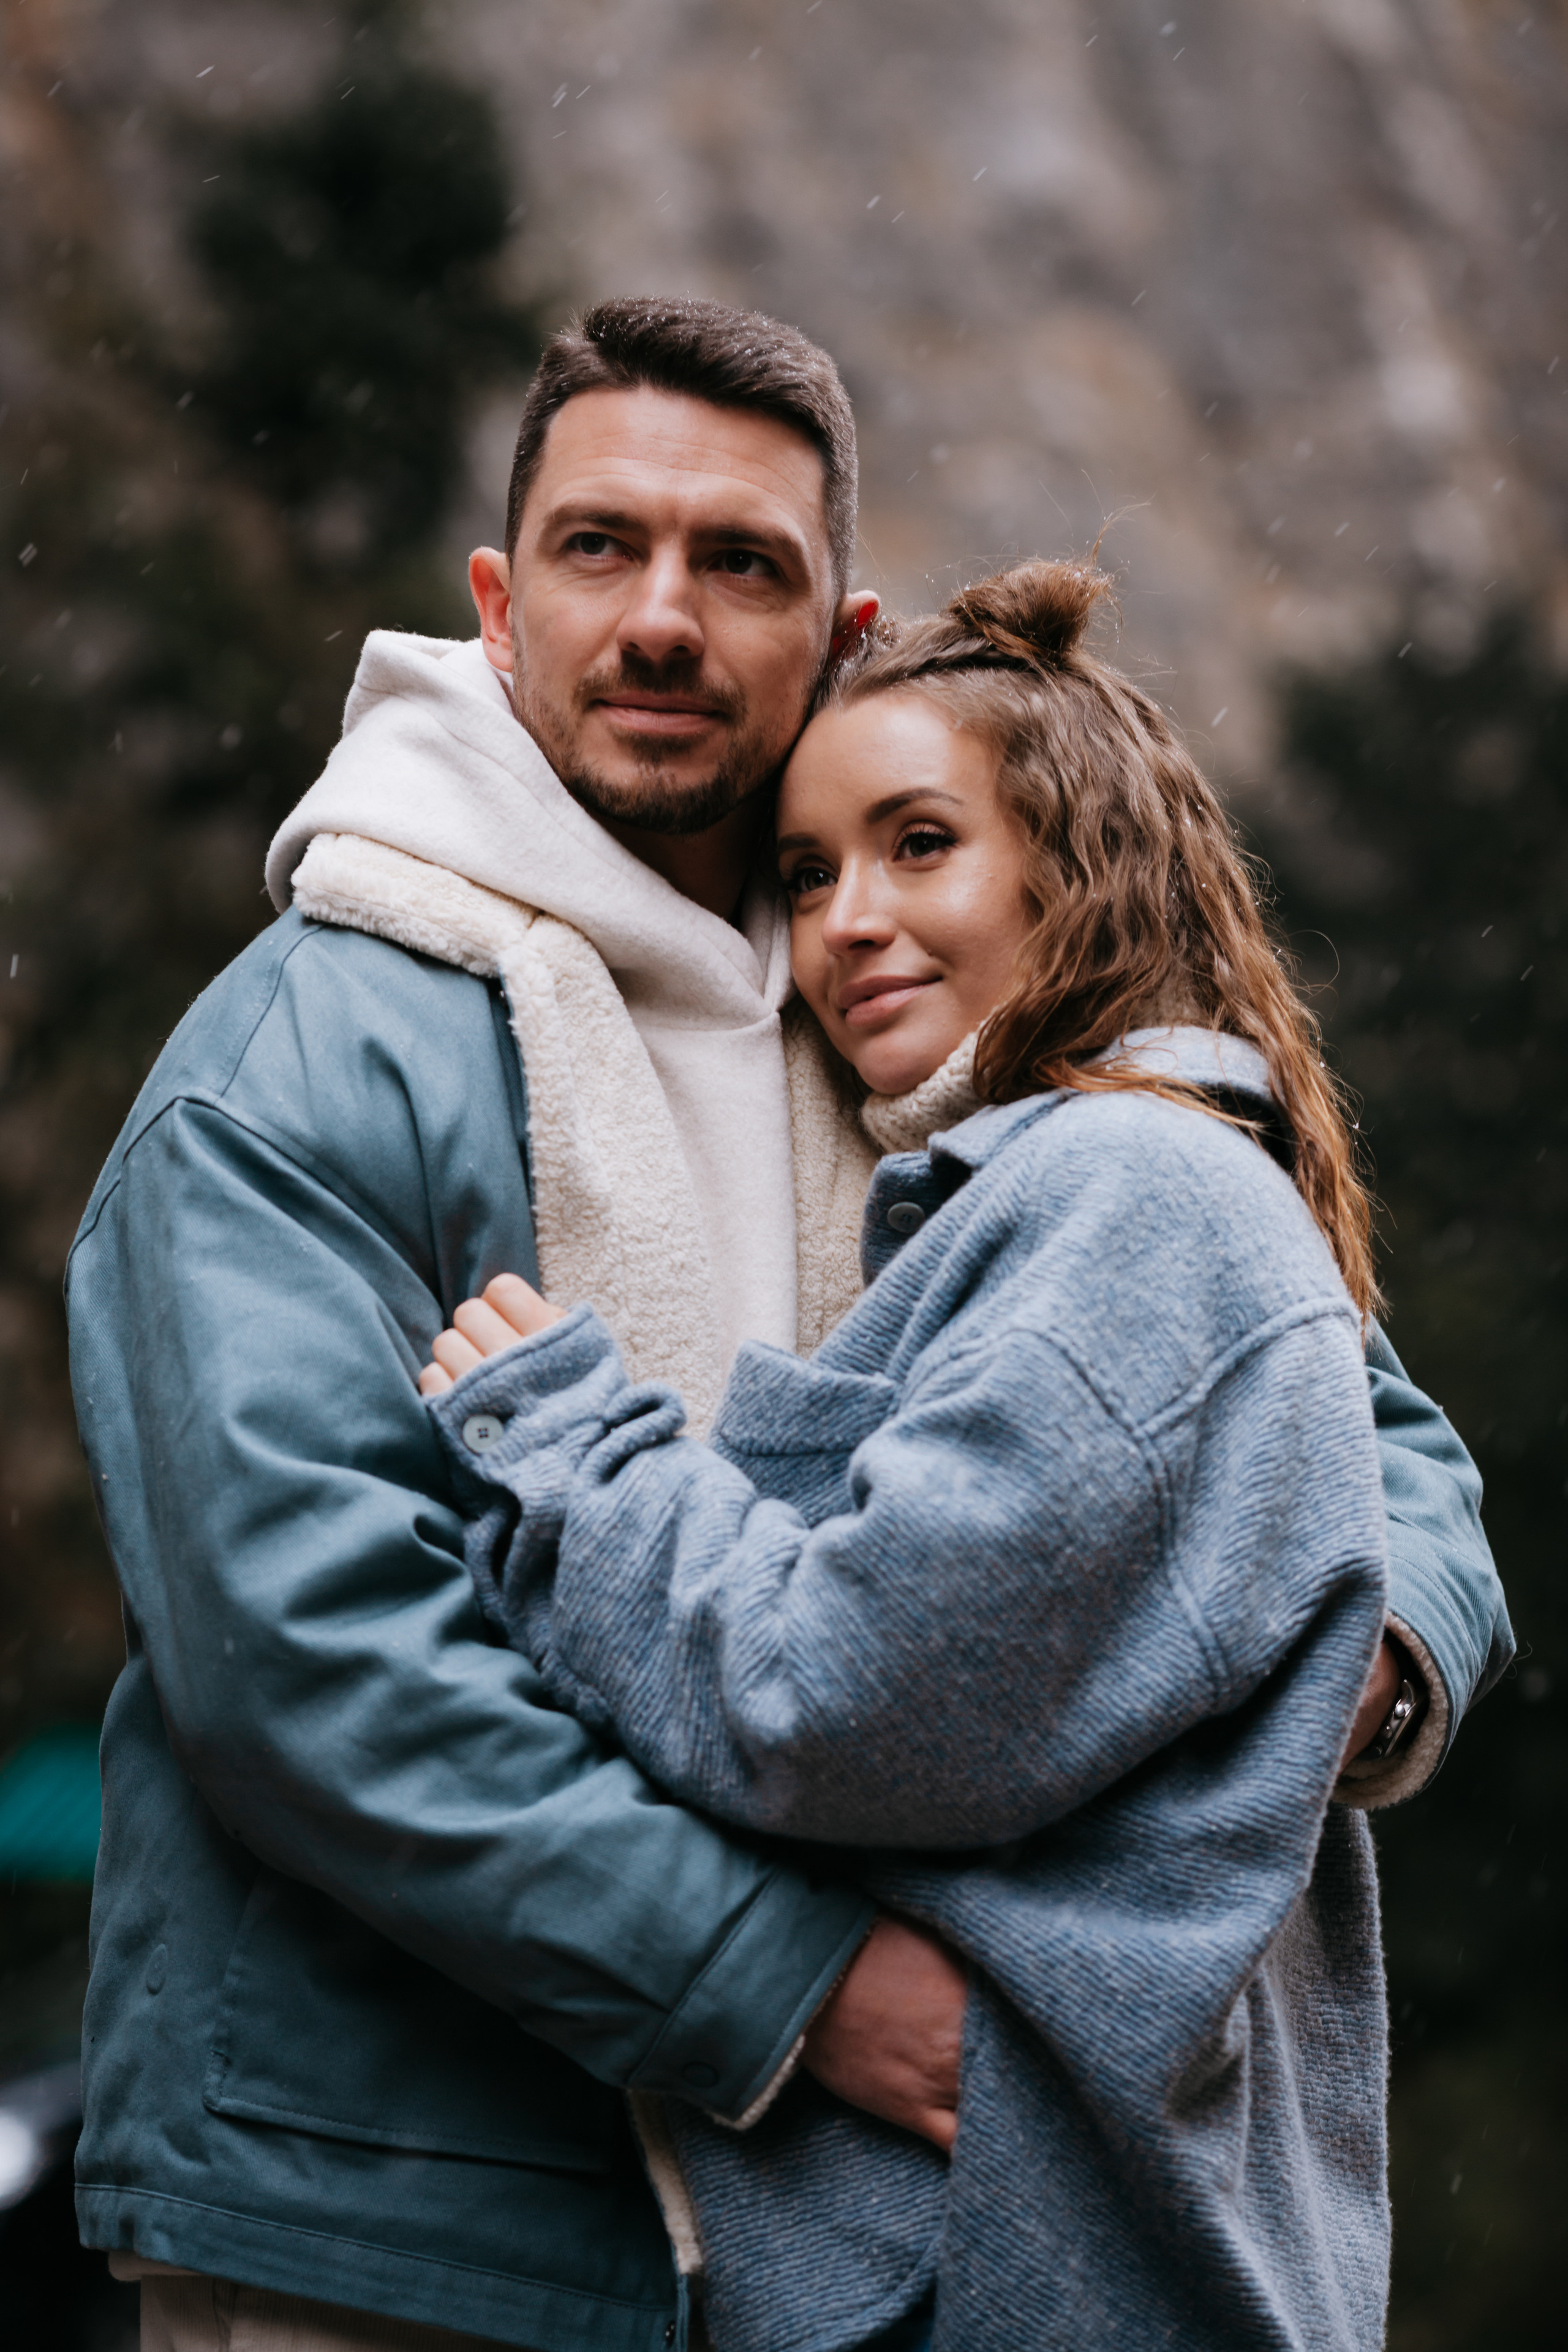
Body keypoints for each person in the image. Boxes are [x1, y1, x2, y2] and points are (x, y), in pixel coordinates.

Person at [64, 301, 1510, 2352]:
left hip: (839, 2255)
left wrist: (1324, 1670)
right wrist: (795, 1990)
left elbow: (1346, 1423)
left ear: (841, 628)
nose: (664, 617)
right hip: (406, 2205)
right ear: (497, 605)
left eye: (739, 564)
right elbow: (307, 1659)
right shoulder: (309, 1052)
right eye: (601, 547)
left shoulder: (898, 985)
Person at [420, 558, 1446, 2352]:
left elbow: (850, 1692)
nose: (847, 923)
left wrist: (573, 1451)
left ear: (1082, 865)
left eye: (919, 845)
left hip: (1017, 2269)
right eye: (807, 875)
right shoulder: (1122, 1187)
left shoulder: (1129, 1199)